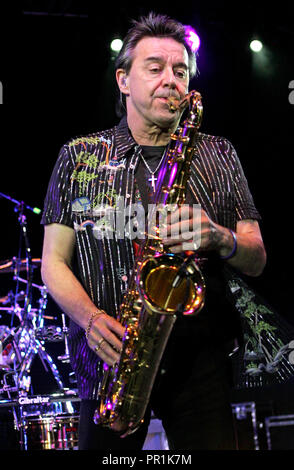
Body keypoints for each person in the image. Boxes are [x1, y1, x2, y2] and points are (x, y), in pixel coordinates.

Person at [40, 12, 266, 450]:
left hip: (200, 363)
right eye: (155, 68)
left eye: (180, 71)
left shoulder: (218, 153)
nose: (171, 80)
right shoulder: (79, 155)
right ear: (124, 80)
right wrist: (90, 320)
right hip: (113, 363)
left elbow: (256, 257)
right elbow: (53, 262)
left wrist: (221, 238)